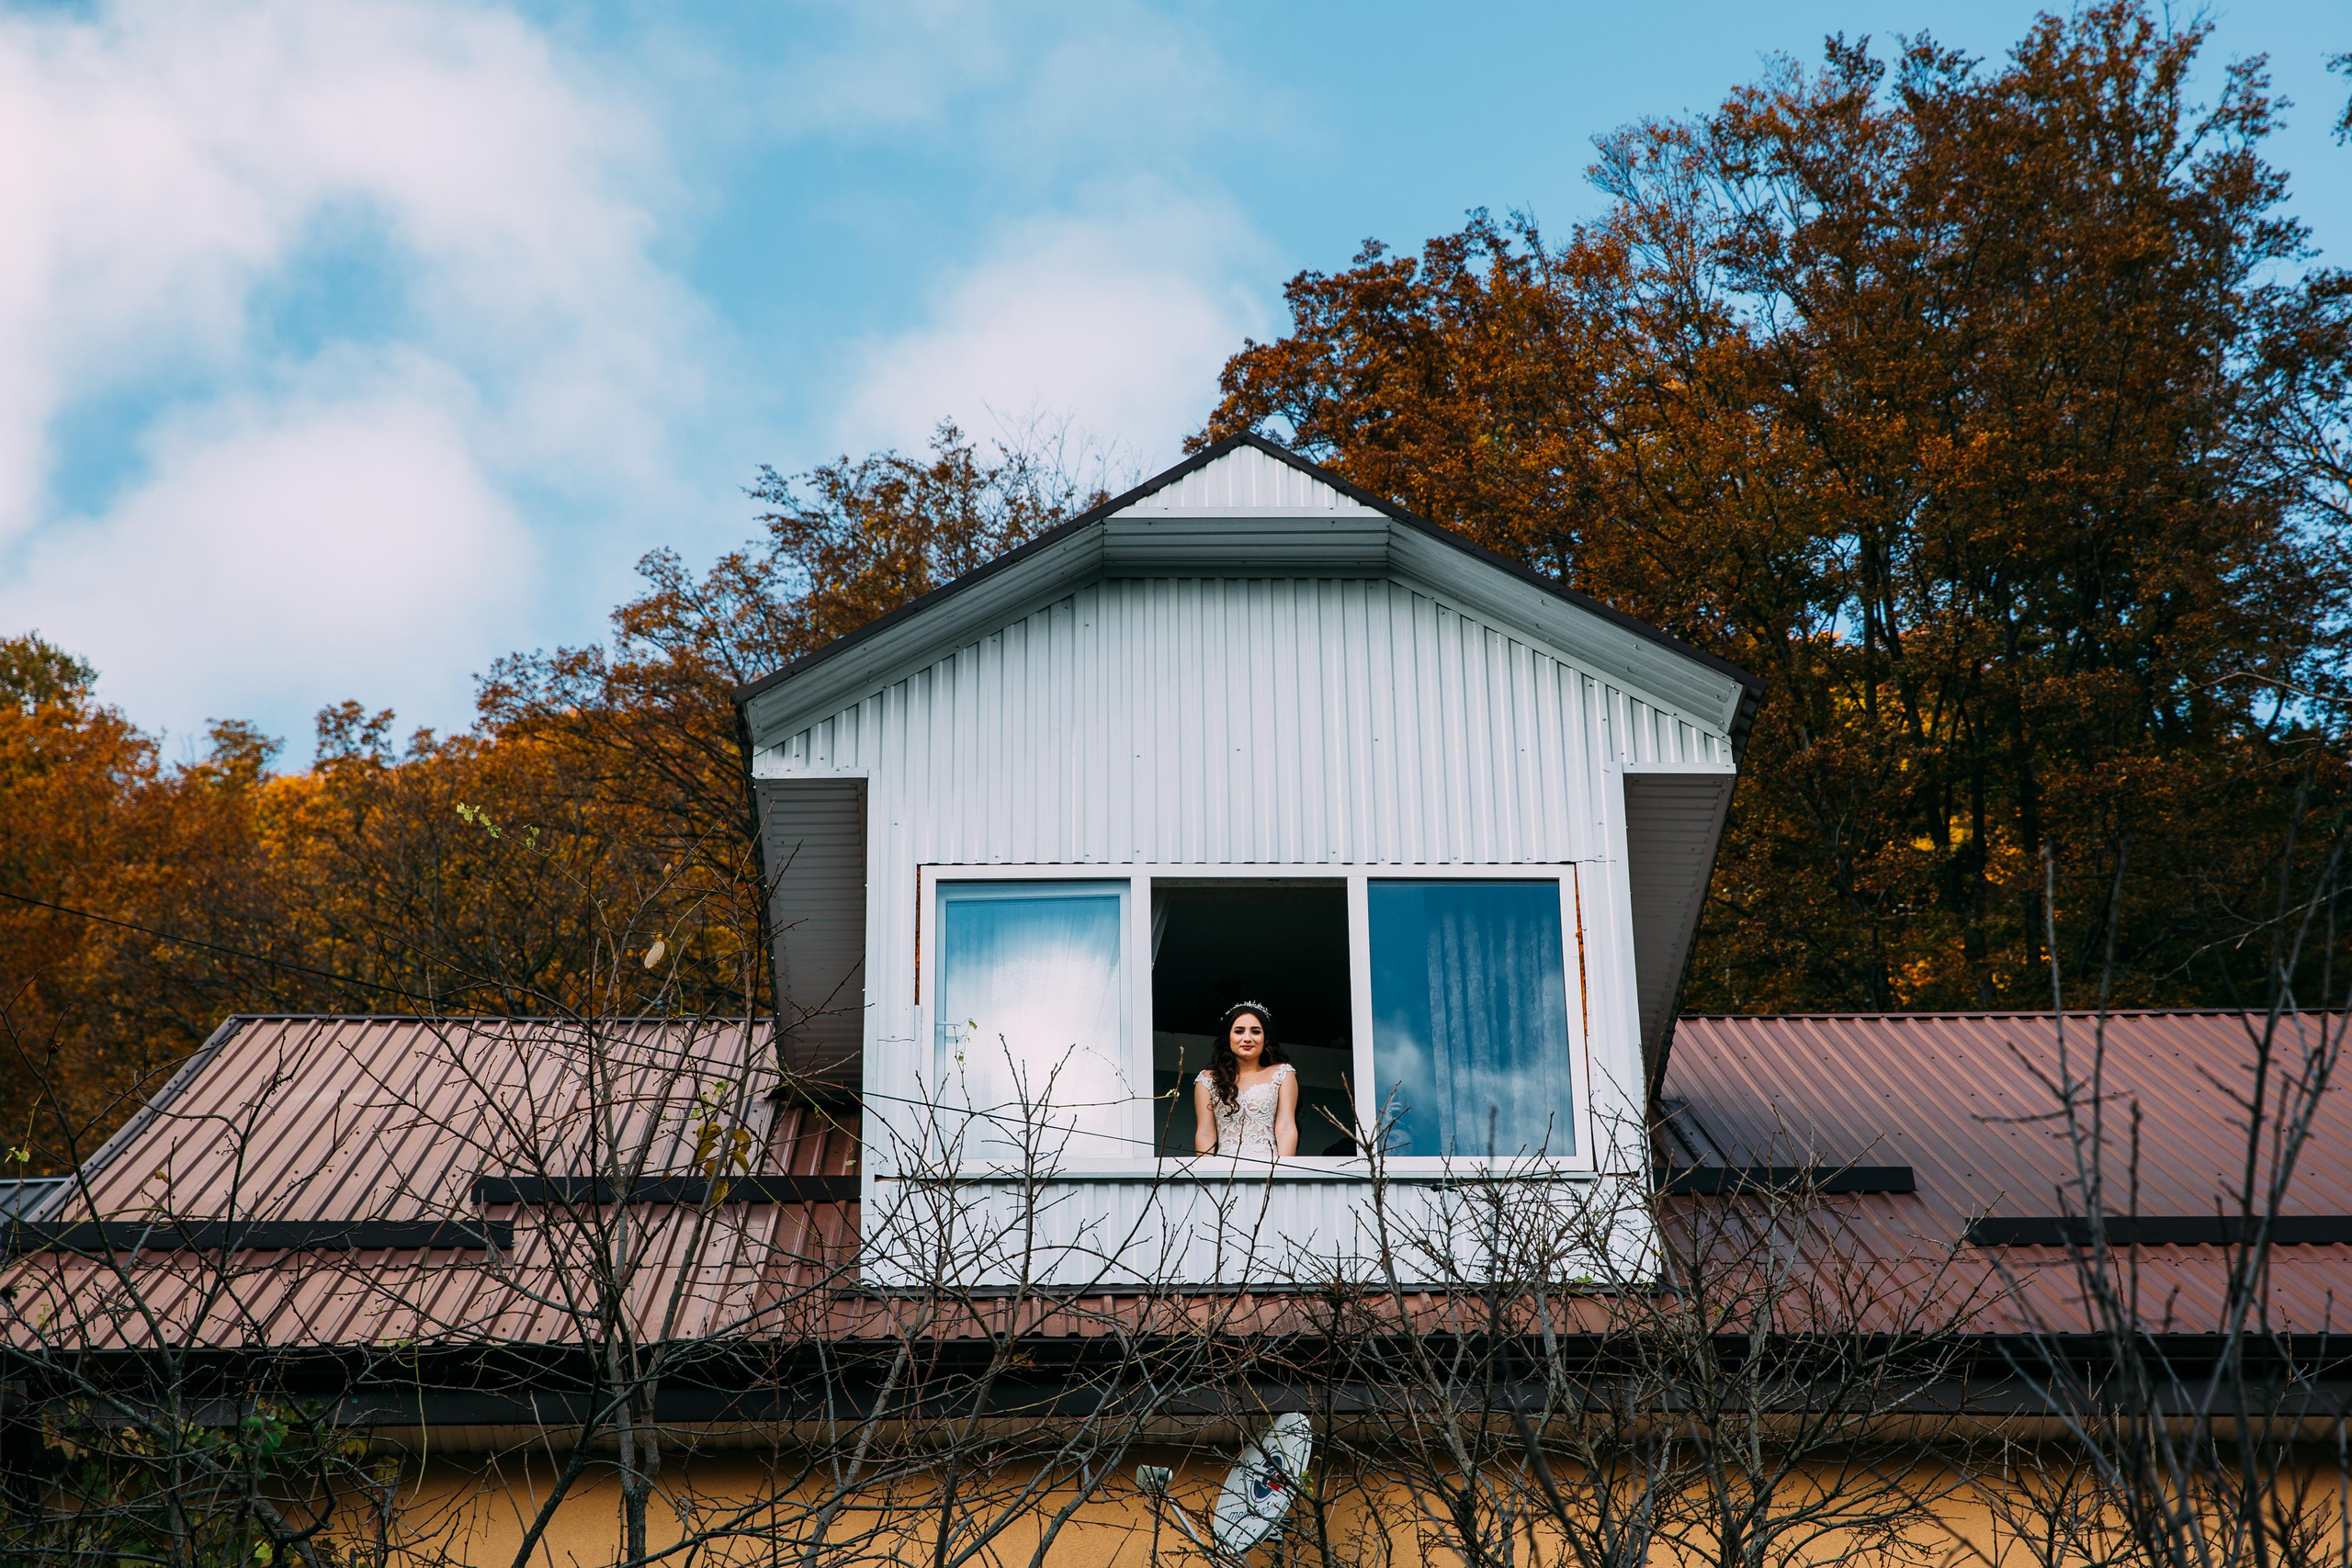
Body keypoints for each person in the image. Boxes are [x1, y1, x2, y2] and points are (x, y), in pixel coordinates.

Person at [1193, 1001, 1298, 1158]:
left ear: (1265, 1038)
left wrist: (1282, 1175)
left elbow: (1286, 1128)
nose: (1247, 1038)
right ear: (1228, 1037)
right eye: (1239, 1031)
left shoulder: (1282, 1074)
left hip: (1268, 1167)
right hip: (1223, 1170)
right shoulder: (1208, 1080)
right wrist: (1204, 1178)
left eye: (1255, 1032)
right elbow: (1205, 1133)